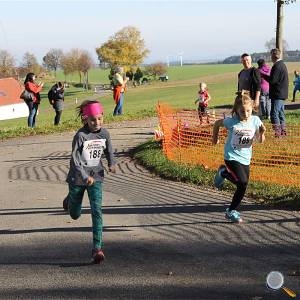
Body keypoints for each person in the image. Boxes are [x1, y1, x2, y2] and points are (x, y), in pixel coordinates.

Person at [63, 100, 116, 263]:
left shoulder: (104, 134)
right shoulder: (80, 136)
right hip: (78, 179)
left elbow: (109, 150)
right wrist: (85, 177)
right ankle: (69, 200)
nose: (97, 123)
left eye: (99, 119)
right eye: (93, 119)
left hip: (97, 177)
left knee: (97, 211)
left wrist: (112, 163)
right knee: (75, 214)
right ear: (85, 119)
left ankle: (97, 249)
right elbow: (75, 161)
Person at [212, 91, 266, 223]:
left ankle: (223, 172)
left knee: (243, 184)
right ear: (236, 111)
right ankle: (231, 211)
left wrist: (262, 133)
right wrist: (214, 139)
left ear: (252, 108)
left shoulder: (255, 120)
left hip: (245, 158)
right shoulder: (231, 121)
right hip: (231, 157)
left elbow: (260, 140)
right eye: (242, 112)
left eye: (248, 111)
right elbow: (216, 124)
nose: (246, 114)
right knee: (242, 183)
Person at [261, 48, 289, 137]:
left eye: (271, 55)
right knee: (281, 113)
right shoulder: (282, 64)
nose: (271, 57)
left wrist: (262, 74)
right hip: (281, 93)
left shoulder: (277, 66)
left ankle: (278, 133)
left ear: (273, 55)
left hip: (277, 94)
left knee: (275, 113)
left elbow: (272, 80)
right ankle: (283, 132)